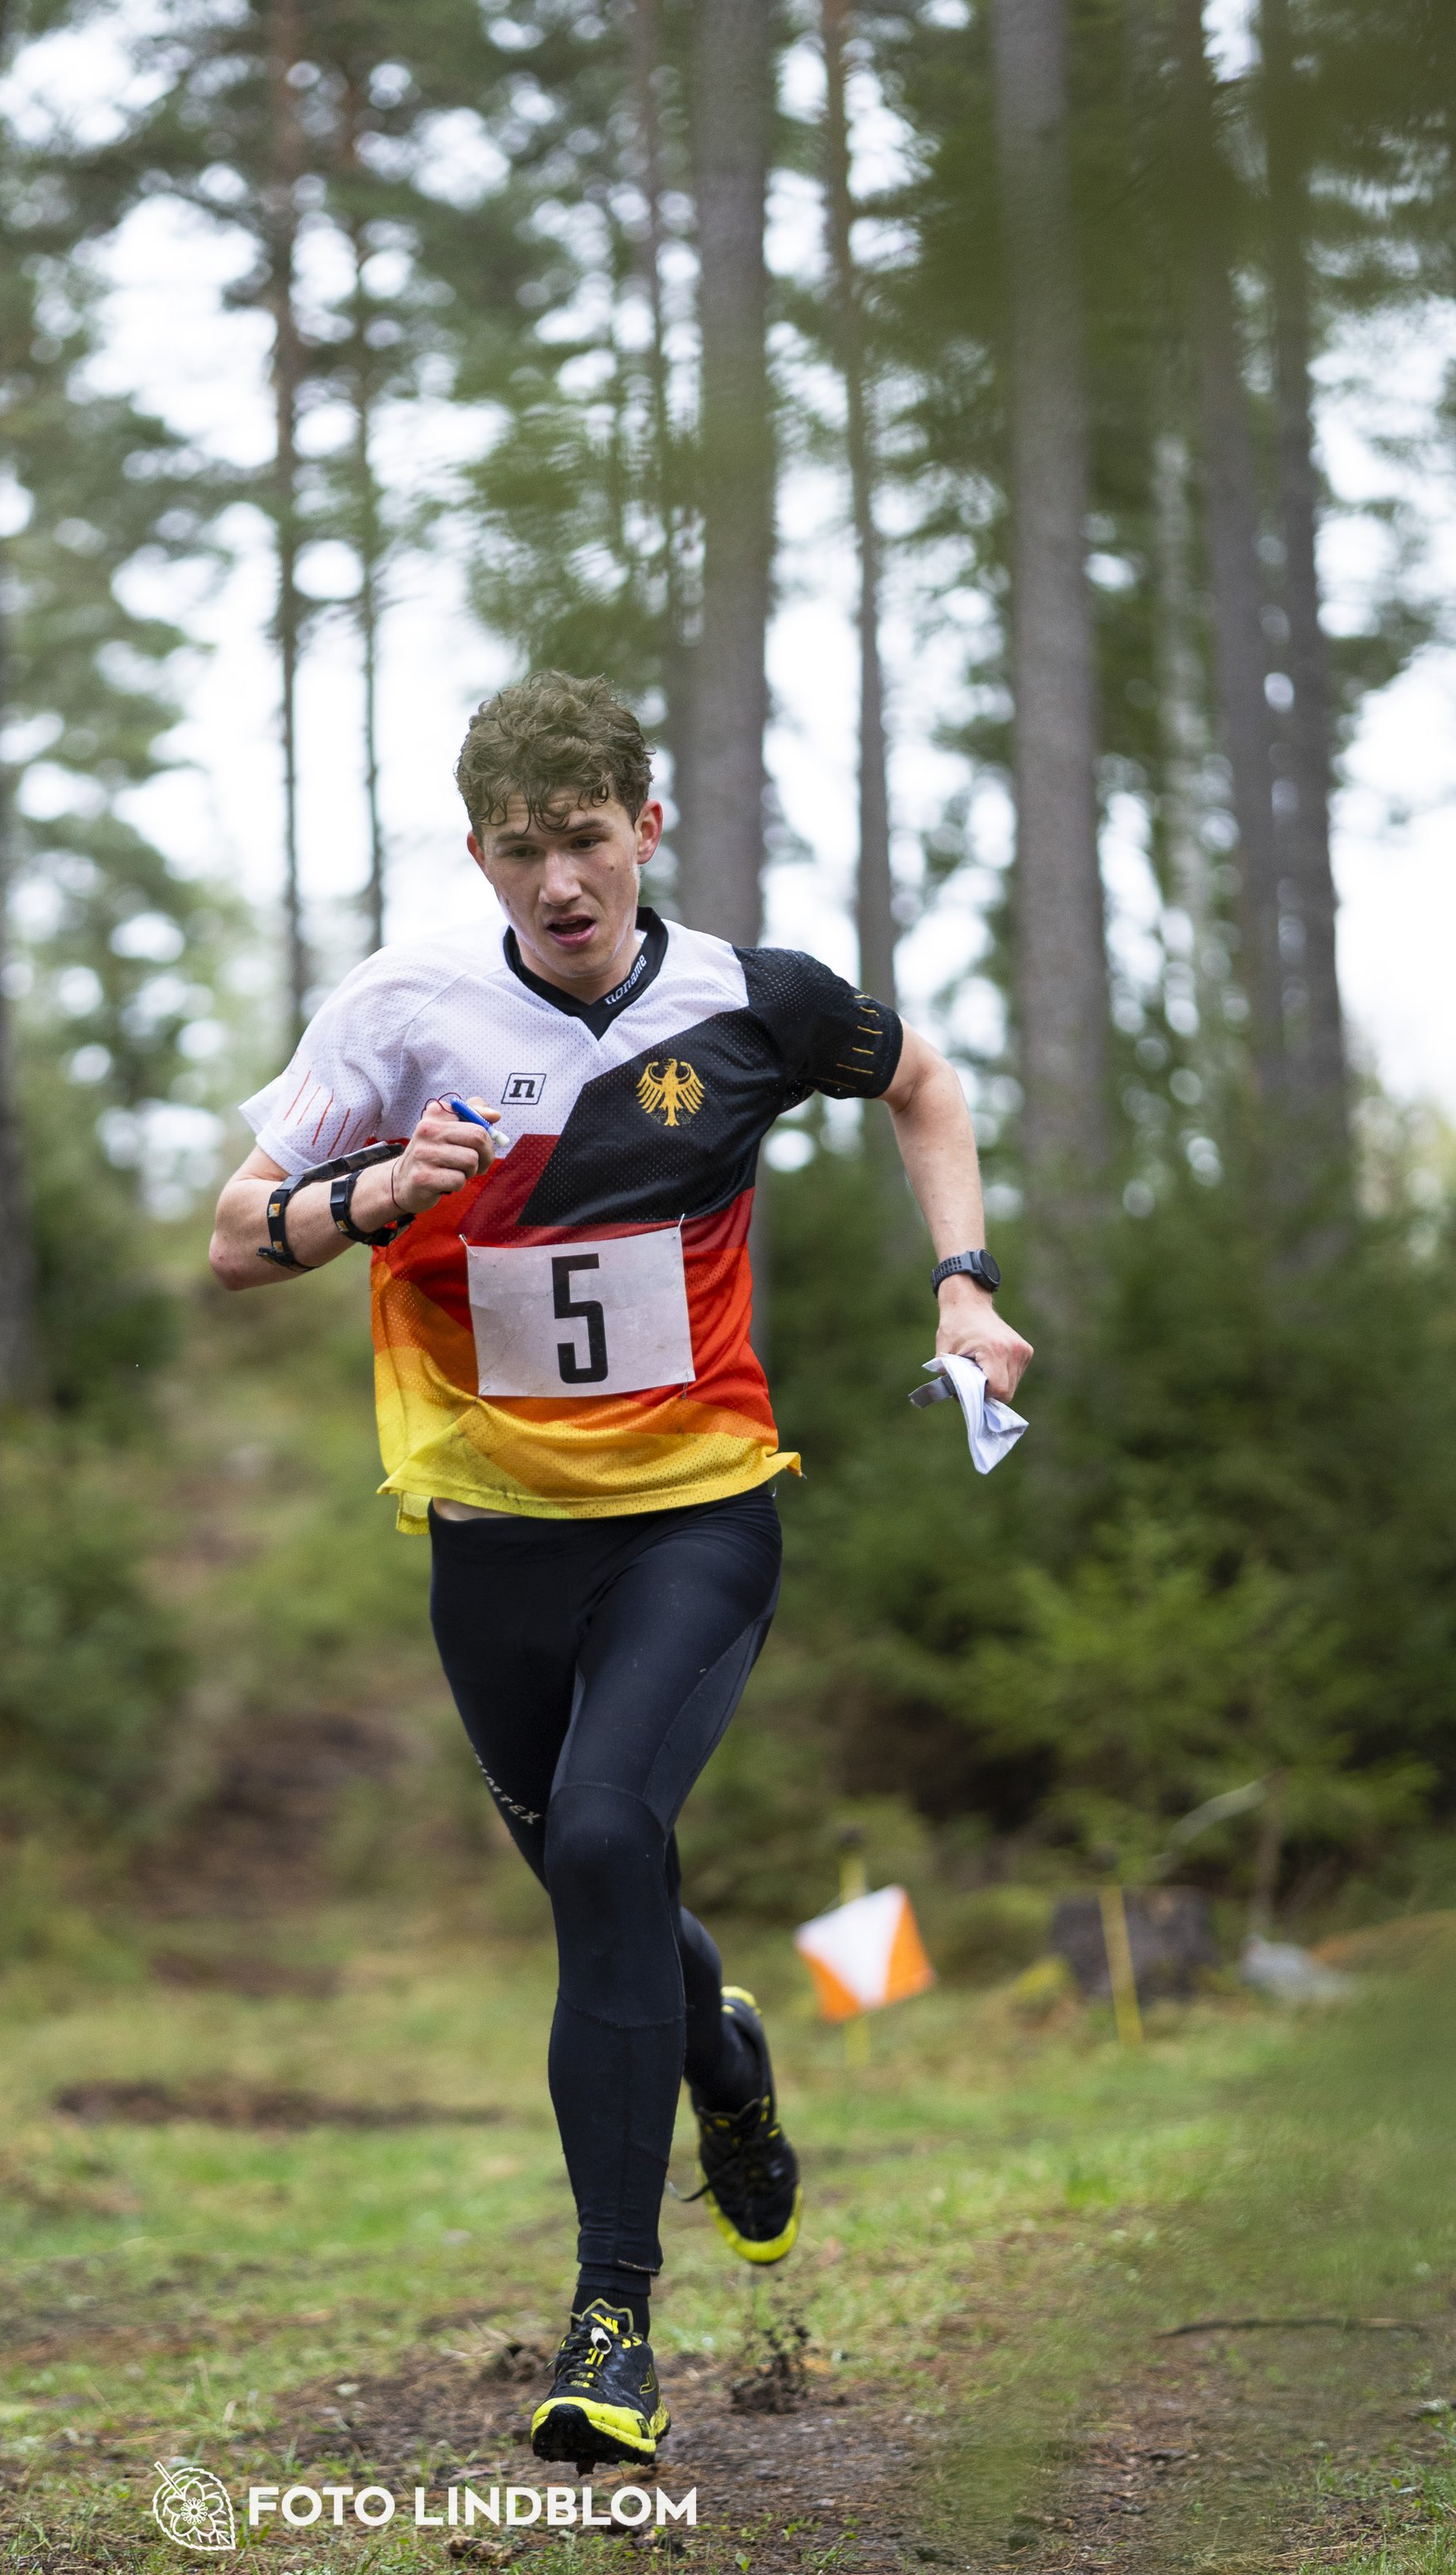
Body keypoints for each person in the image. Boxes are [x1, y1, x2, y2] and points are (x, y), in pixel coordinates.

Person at [208, 672, 1032, 2468]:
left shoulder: (750, 1001)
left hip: (695, 1515)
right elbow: (230, 1239)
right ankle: (723, 2056)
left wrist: (961, 1290)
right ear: (481, 856)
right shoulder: (400, 1016)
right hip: (491, 1542)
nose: (557, 886)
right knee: (600, 1898)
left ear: (643, 832)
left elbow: (925, 1086)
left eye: (585, 843)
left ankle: (608, 2323)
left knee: (600, 1838)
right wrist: (368, 1194)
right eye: (521, 855)